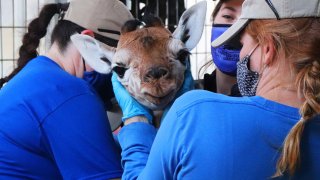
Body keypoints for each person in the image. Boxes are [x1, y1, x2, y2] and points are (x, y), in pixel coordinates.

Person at [112, 0, 320, 179]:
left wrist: (135, 121)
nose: (241, 55)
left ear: (267, 49)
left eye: (243, 44)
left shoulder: (193, 113)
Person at [0, 0, 133, 179]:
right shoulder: (72, 92)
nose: (118, 76)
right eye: (119, 64)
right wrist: (139, 133)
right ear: (88, 43)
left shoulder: (38, 73)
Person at [200, 0, 243, 96]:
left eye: (249, 20)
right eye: (227, 16)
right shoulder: (192, 97)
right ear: (213, 20)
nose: (236, 28)